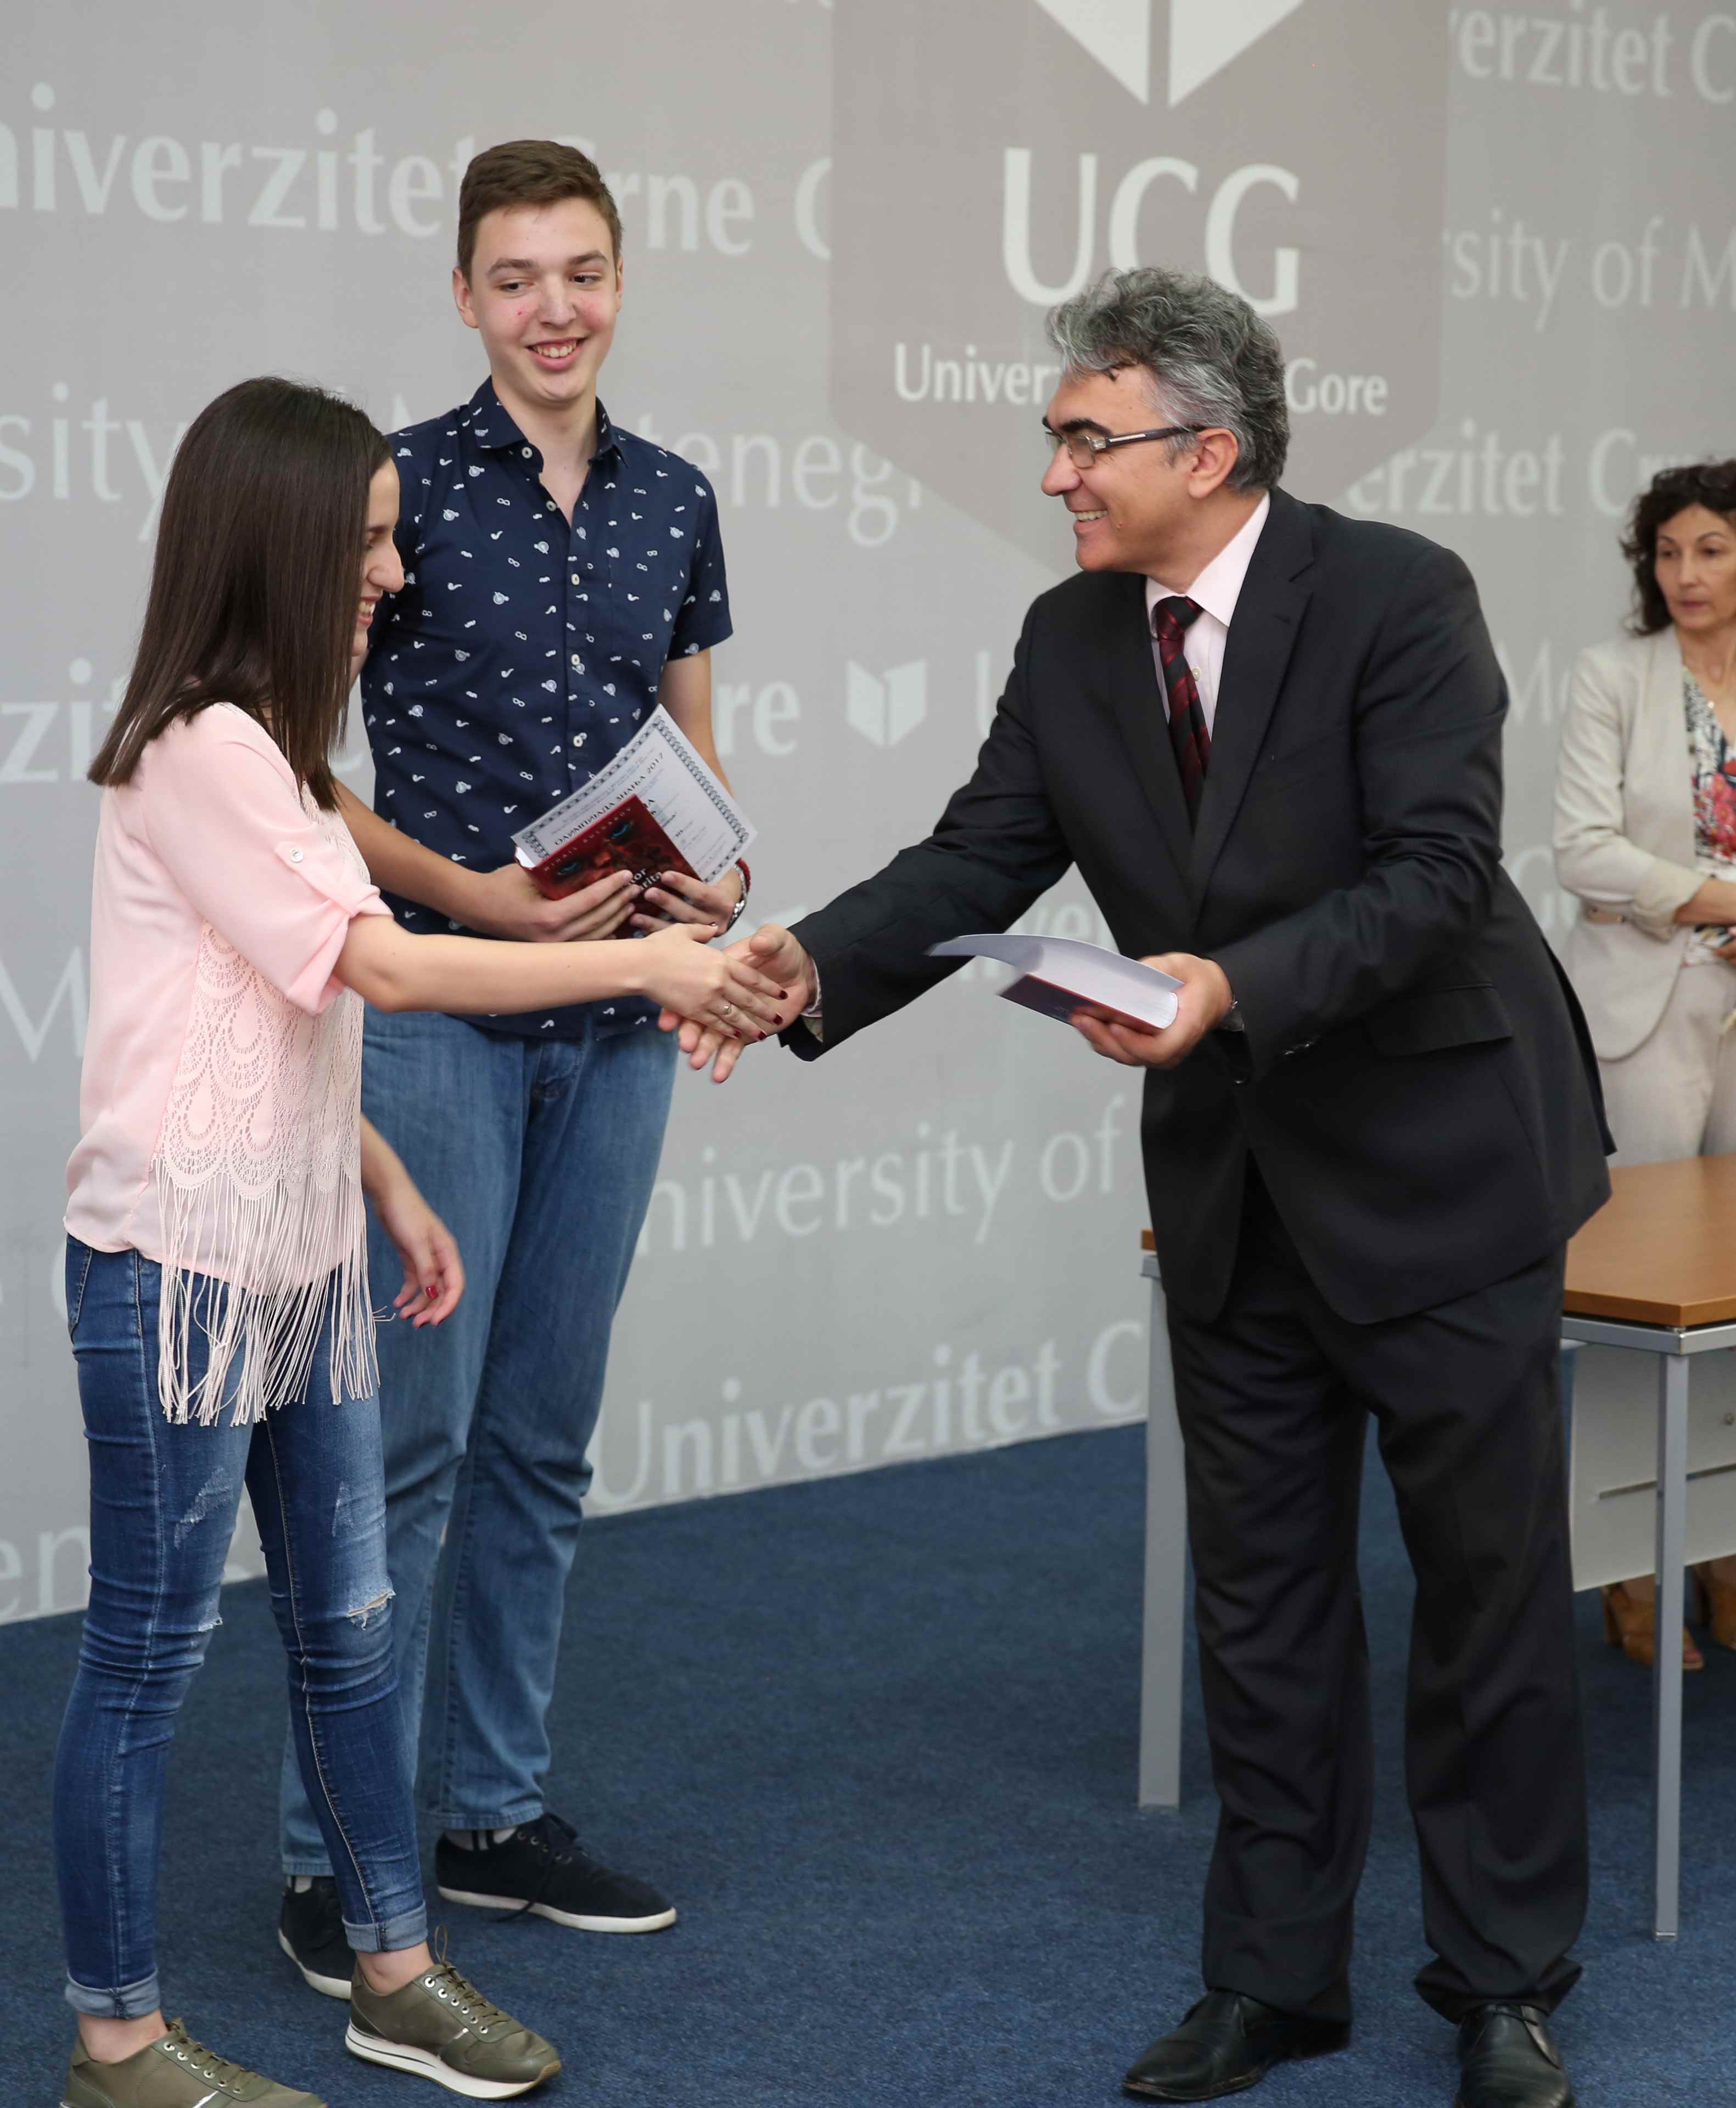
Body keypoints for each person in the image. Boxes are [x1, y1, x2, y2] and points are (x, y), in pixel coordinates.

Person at [671, 268, 1611, 2108]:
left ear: (1209, 448)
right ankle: (1274, 1979)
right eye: (1055, 439)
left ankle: (1504, 1984)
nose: (1055, 477)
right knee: (1260, 1606)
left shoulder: (1398, 594)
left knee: (1487, 1597)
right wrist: (809, 967)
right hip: (1233, 1184)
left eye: (1084, 441)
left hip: (1443, 1169)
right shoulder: (1071, 636)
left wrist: (1224, 987)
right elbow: (981, 854)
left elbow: (1436, 876)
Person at [57, 374, 779, 2108]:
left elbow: (261, 1009)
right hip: (177, 1270)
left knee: (350, 1625)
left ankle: (394, 1971)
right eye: (370, 545)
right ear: (285, 541)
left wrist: (375, 1174)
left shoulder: (279, 755)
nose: (393, 573)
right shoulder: (205, 750)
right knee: (146, 1663)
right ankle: (117, 2043)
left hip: (299, 1258)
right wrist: (644, 960)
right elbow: (379, 967)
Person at [273, 136, 752, 1991]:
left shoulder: (677, 498)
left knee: (542, 1438)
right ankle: (332, 1851)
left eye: (584, 272)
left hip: (619, 1029)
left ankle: (490, 1815)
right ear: (465, 295)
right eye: (516, 277)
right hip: (439, 1023)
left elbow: (693, 757)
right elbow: (290, 767)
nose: (556, 309)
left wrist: (717, 890)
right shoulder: (392, 489)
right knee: (404, 1447)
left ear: (621, 280)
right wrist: (470, 892)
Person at [1554, 457, 1736, 1669]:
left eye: (1710, 549)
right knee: (1645, 1302)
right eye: (1668, 552)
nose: (1685, 574)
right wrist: (1716, 898)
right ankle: (1627, 1571)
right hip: (1645, 1015)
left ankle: (1724, 1553)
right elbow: (1581, 850)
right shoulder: (1612, 677)